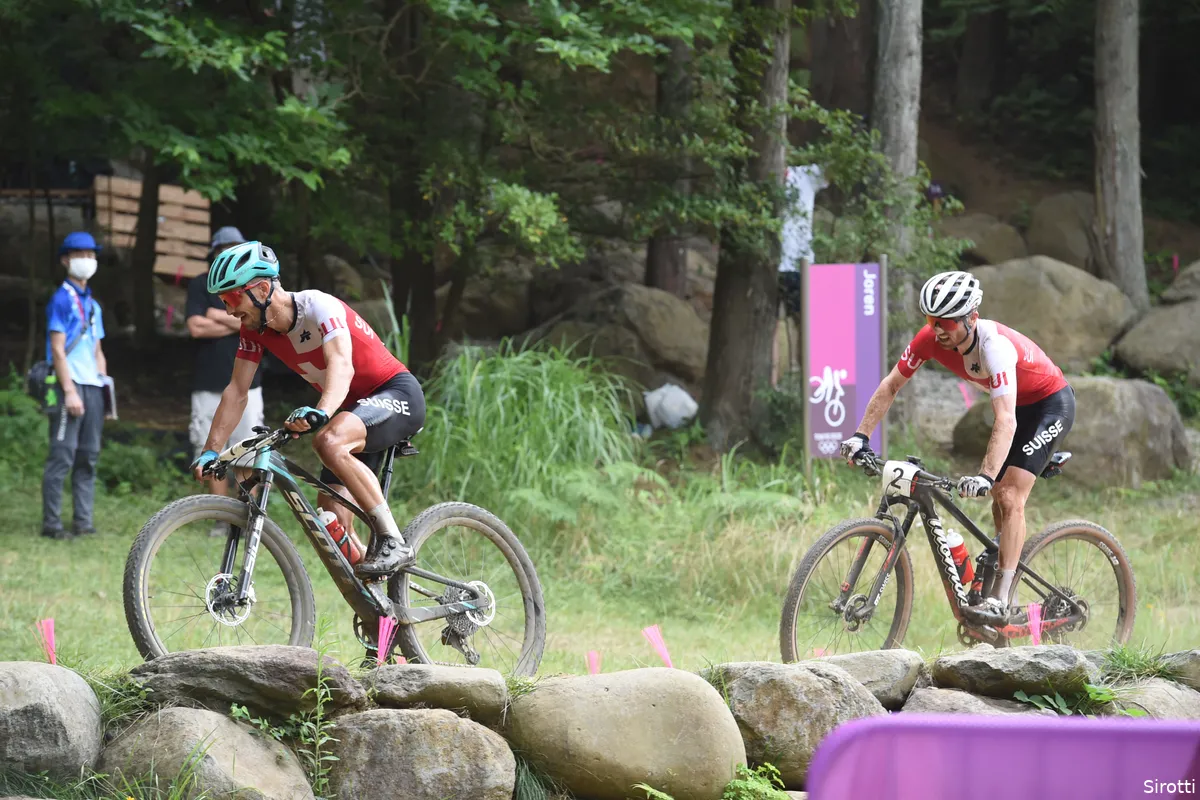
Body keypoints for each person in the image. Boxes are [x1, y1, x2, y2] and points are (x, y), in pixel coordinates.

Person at [839, 271, 1075, 627]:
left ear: (972, 318)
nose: (938, 329)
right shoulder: (929, 339)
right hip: (1013, 406)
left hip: (1048, 405)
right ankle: (996, 575)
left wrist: (983, 474)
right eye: (932, 321)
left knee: (1008, 495)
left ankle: (1001, 599)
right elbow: (891, 386)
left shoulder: (994, 347)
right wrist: (861, 435)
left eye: (947, 322)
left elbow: (1006, 421)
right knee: (997, 493)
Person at [191, 241, 425, 577]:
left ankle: (394, 540)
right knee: (331, 518)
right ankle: (382, 602)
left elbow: (341, 365)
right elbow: (237, 391)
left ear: (260, 289)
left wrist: (322, 412)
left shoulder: (318, 306)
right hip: (351, 413)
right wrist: (211, 451)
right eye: (223, 302)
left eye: (232, 298)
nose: (229, 310)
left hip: (395, 393)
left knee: (328, 440)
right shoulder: (254, 331)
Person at [186, 226, 265, 528]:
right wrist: (239, 321)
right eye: (225, 247)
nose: (230, 251)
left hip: (249, 384)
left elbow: (260, 325)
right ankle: (221, 518)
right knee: (210, 451)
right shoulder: (200, 284)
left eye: (236, 246)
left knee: (248, 449)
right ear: (214, 251)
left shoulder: (253, 287)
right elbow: (195, 326)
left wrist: (214, 316)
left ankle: (246, 516)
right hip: (208, 381)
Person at [42, 231, 109, 540]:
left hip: (92, 387)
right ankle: (52, 525)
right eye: (80, 254)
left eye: (91, 254)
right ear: (65, 260)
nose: (87, 260)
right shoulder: (61, 299)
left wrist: (105, 390)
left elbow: (97, 350)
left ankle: (83, 522)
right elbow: (57, 349)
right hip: (69, 385)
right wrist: (68, 391)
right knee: (62, 456)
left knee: (88, 456)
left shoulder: (93, 304)